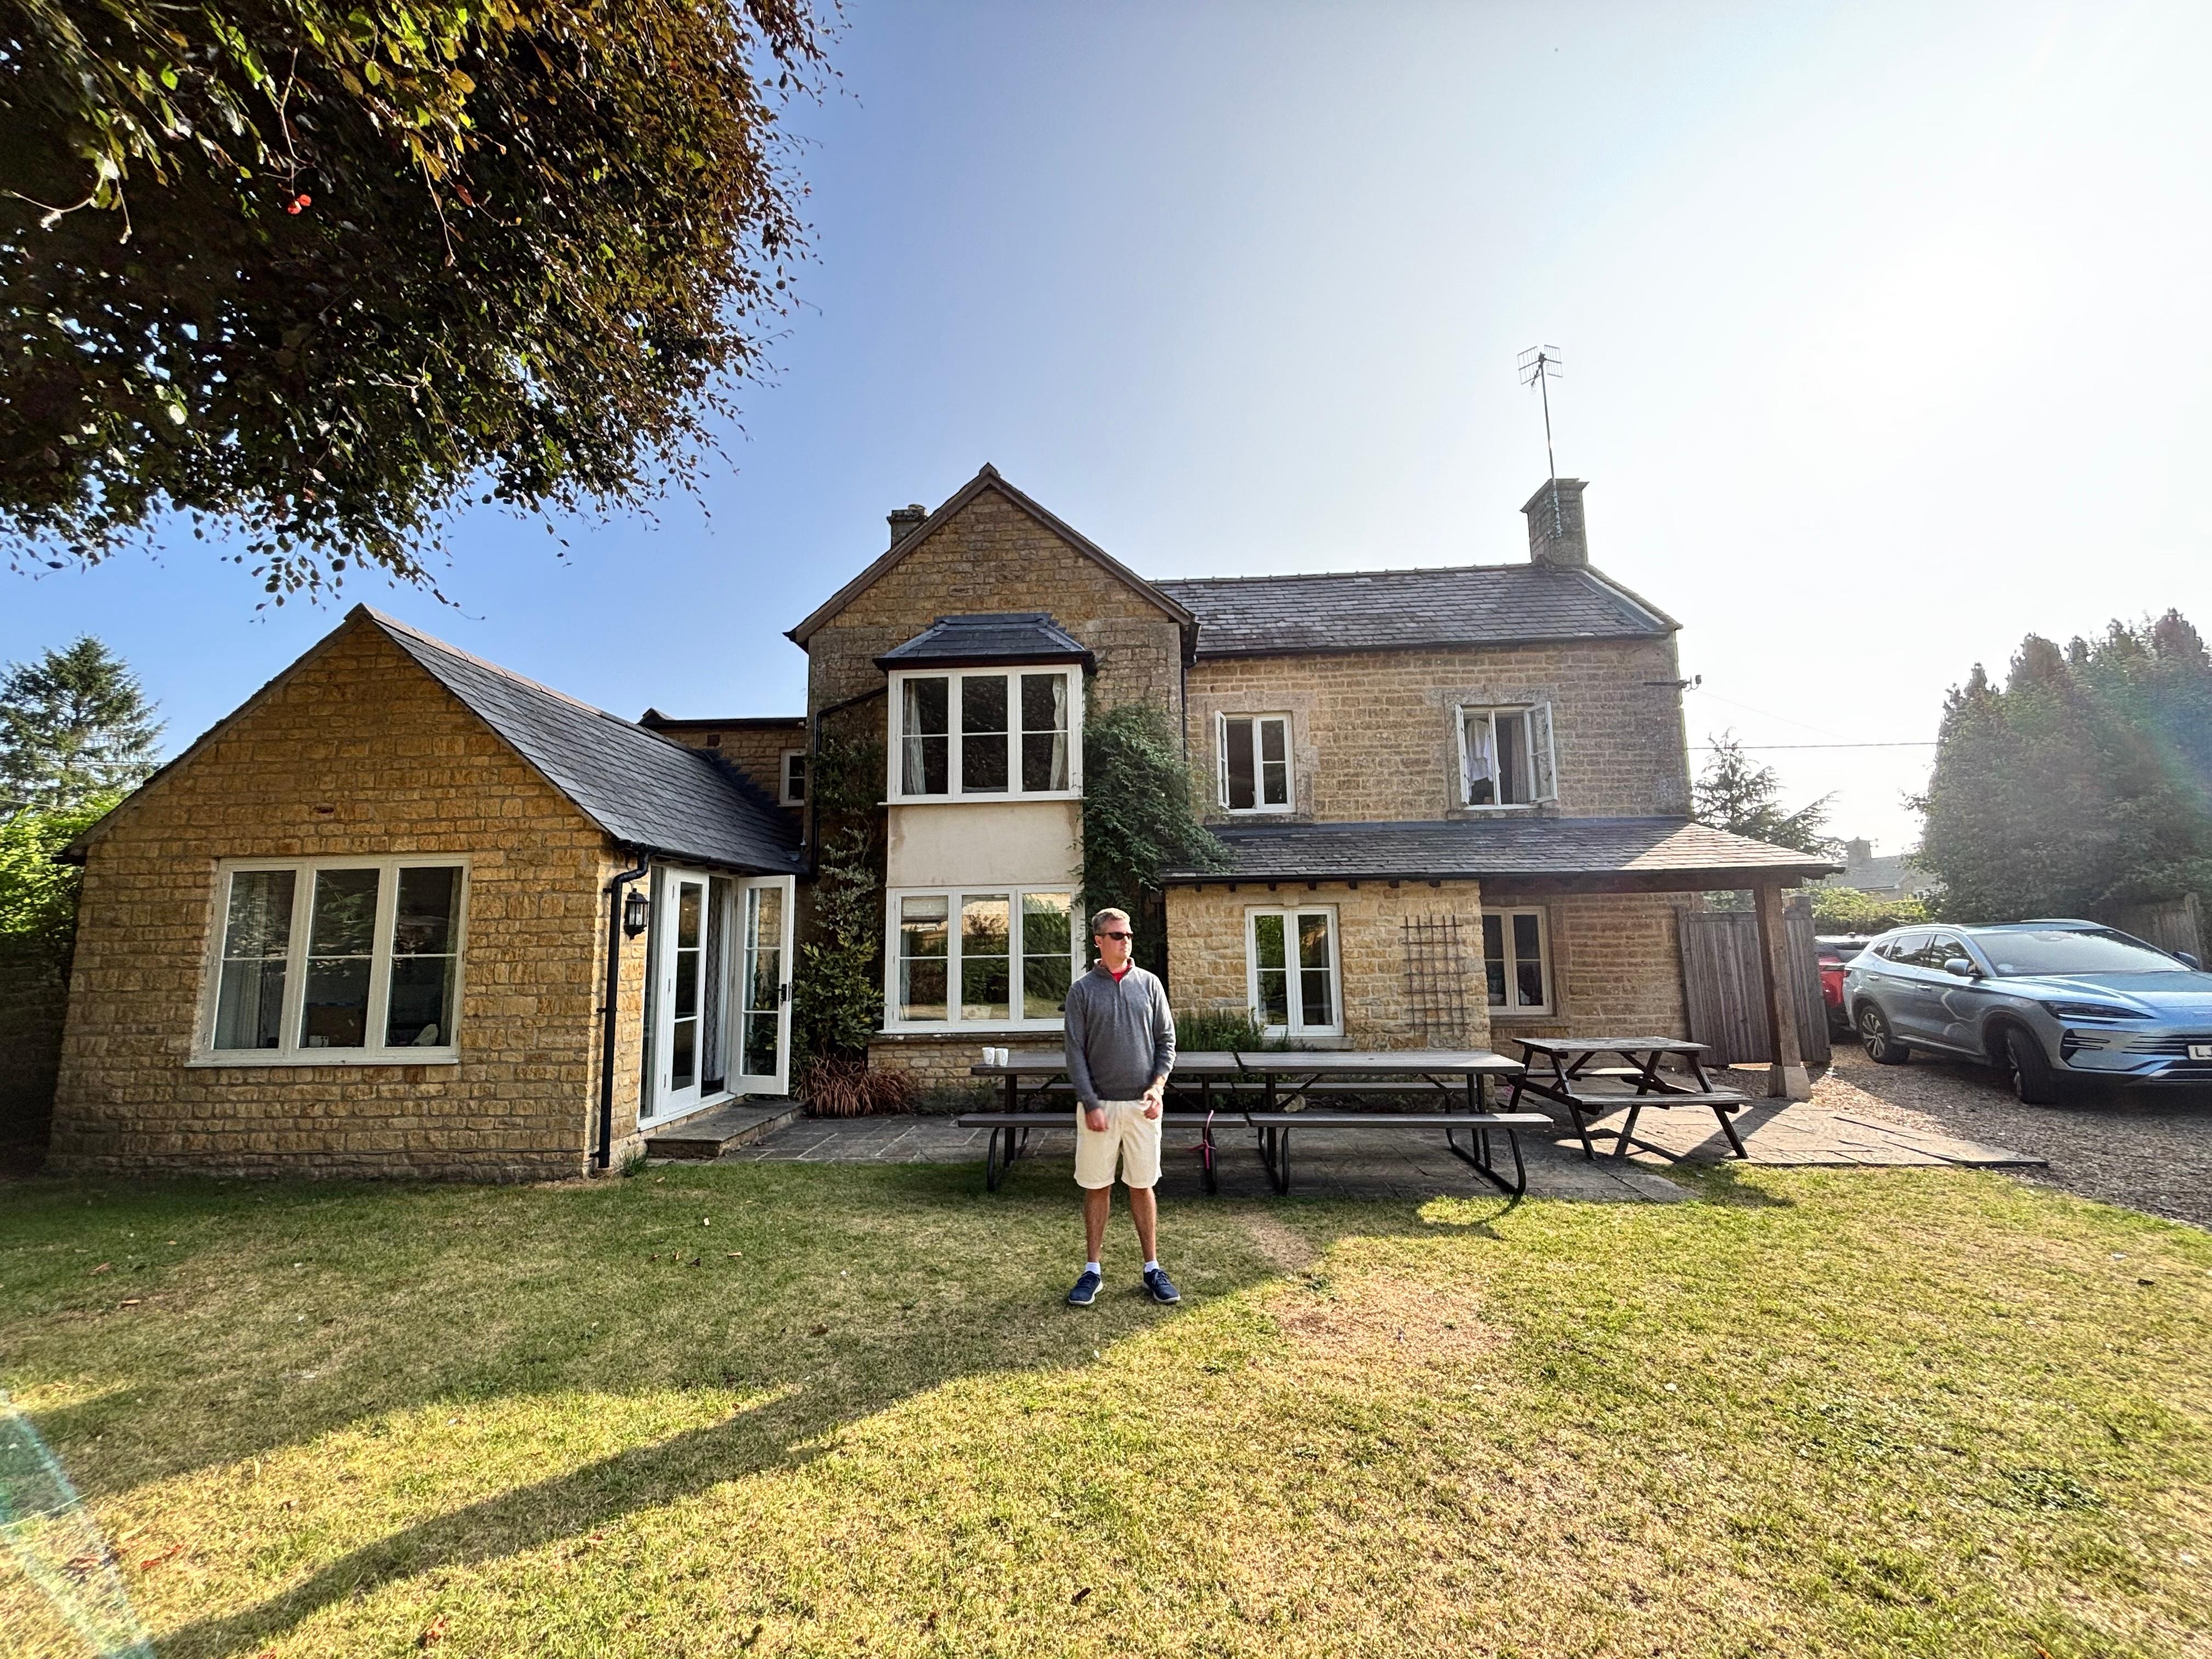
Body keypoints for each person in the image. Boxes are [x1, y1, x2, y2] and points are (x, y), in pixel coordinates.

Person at [1062, 906, 1179, 1306]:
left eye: (1128, 935)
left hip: (1143, 1107)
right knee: (1097, 1187)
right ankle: (1092, 1270)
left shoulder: (1150, 985)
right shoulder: (1082, 991)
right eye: (1116, 935)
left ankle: (1152, 1268)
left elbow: (1167, 1042)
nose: (1125, 941)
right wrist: (1090, 1103)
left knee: (1142, 1185)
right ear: (1098, 940)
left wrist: (1158, 1087)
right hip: (1099, 1109)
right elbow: (1075, 1053)